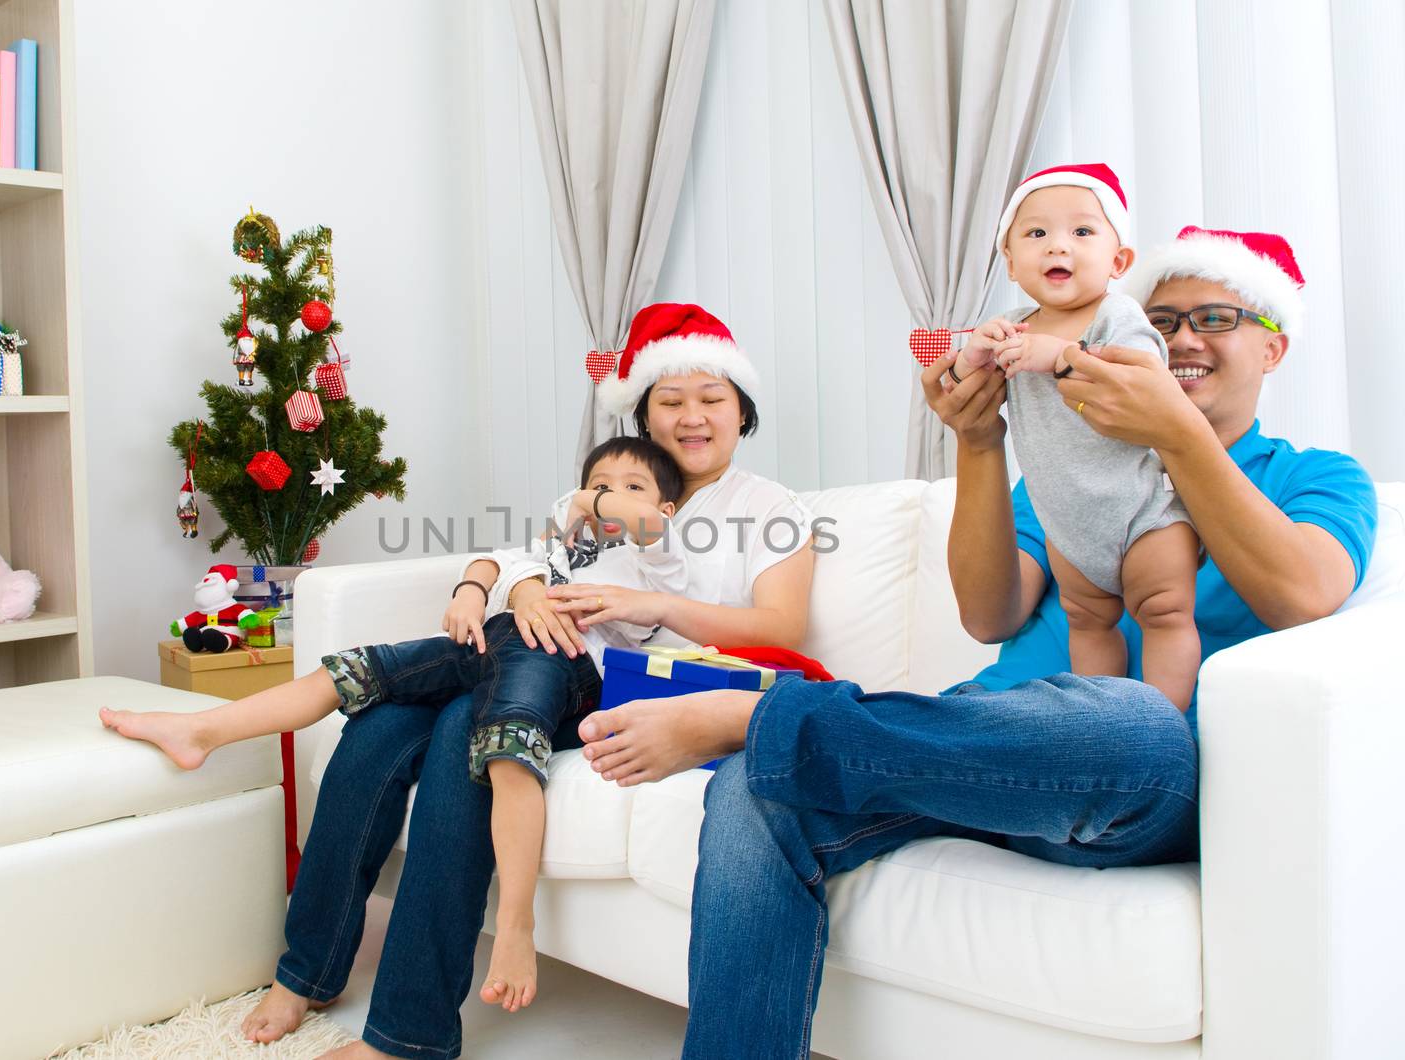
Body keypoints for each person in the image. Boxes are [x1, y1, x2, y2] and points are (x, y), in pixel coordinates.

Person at [577, 227, 1377, 1057]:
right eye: (1161, 318)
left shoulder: (1315, 476)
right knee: (757, 783)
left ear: (1274, 348)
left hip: (1127, 776)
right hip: (976, 748)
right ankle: (773, 732)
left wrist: (1178, 435)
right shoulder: (1072, 478)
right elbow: (990, 615)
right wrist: (981, 441)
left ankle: (765, 713)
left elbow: (1304, 593)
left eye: (1213, 318)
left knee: (1132, 717)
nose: (1179, 339)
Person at [189, 302, 812, 1059]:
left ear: (741, 410)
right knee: (377, 727)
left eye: (711, 399)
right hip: (528, 646)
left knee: (460, 732)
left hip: (615, 684)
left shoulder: (769, 507)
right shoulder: (618, 485)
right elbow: (530, 555)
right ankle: (307, 970)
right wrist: (506, 590)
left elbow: (782, 629)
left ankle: (406, 1035)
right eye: (670, 401)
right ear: (643, 414)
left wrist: (649, 603)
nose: (691, 417)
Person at [102, 436, 692, 1014]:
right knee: (356, 673)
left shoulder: (659, 559)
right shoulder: (563, 545)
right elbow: (503, 565)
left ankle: (515, 925)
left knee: (509, 752)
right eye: (599, 485)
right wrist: (484, 587)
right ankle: (205, 731)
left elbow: (649, 529)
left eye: (631, 487)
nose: (609, 497)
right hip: (496, 639)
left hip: (564, 662)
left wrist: (588, 500)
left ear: (666, 505)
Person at [951, 163, 1198, 710]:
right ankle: (1105, 715)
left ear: (1118, 261)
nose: (1057, 246)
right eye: (1036, 234)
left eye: (1082, 232)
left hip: (1143, 508)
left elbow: (1144, 371)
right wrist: (974, 354)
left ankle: (1162, 723)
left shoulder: (1117, 314)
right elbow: (968, 388)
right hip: (1067, 519)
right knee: (1087, 620)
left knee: (1164, 610)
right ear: (1011, 262)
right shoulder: (1013, 324)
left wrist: (1061, 355)